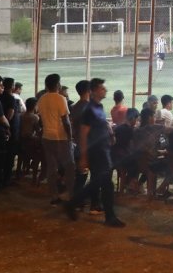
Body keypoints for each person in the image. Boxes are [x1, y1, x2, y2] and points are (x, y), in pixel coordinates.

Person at [67, 78, 122, 227]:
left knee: (100, 183)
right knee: (105, 184)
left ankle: (73, 203)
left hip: (103, 150)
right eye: (101, 88)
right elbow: (84, 134)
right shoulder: (89, 110)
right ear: (93, 91)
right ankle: (109, 216)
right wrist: (84, 157)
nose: (105, 90)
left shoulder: (99, 106)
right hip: (96, 152)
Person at [36, 73, 75, 205]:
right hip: (60, 138)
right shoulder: (61, 99)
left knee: (51, 168)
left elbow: (41, 119)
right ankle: (71, 195)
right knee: (69, 166)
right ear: (58, 84)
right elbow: (66, 121)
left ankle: (54, 196)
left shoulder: (41, 99)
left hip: (47, 137)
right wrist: (70, 137)